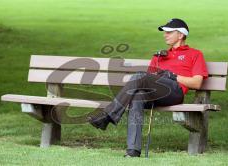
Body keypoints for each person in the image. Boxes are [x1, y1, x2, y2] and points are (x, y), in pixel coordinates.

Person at [87, 18, 208, 157]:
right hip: (155, 94)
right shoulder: (159, 56)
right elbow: (146, 81)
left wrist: (173, 76)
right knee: (137, 96)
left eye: (169, 32)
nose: (165, 35)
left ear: (180, 35)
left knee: (139, 75)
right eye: (164, 32)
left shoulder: (195, 54)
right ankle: (133, 151)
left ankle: (107, 115)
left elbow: (197, 83)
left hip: (175, 92)